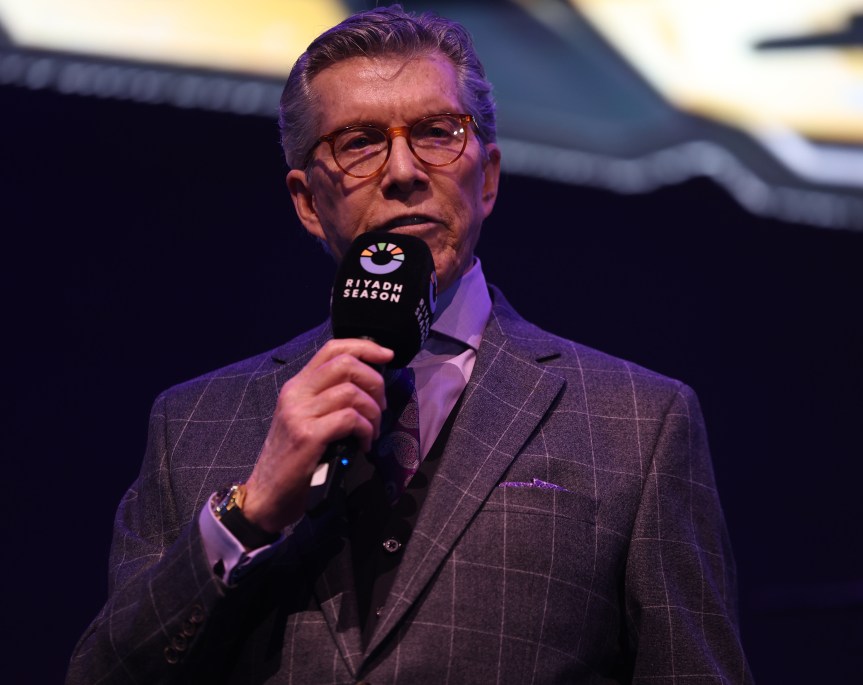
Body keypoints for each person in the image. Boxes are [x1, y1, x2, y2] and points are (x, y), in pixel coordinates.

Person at [67, 5, 752, 684]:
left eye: (436, 132)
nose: (402, 171)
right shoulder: (193, 424)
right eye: (360, 142)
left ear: (485, 177)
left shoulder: (638, 423)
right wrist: (247, 515)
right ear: (308, 201)